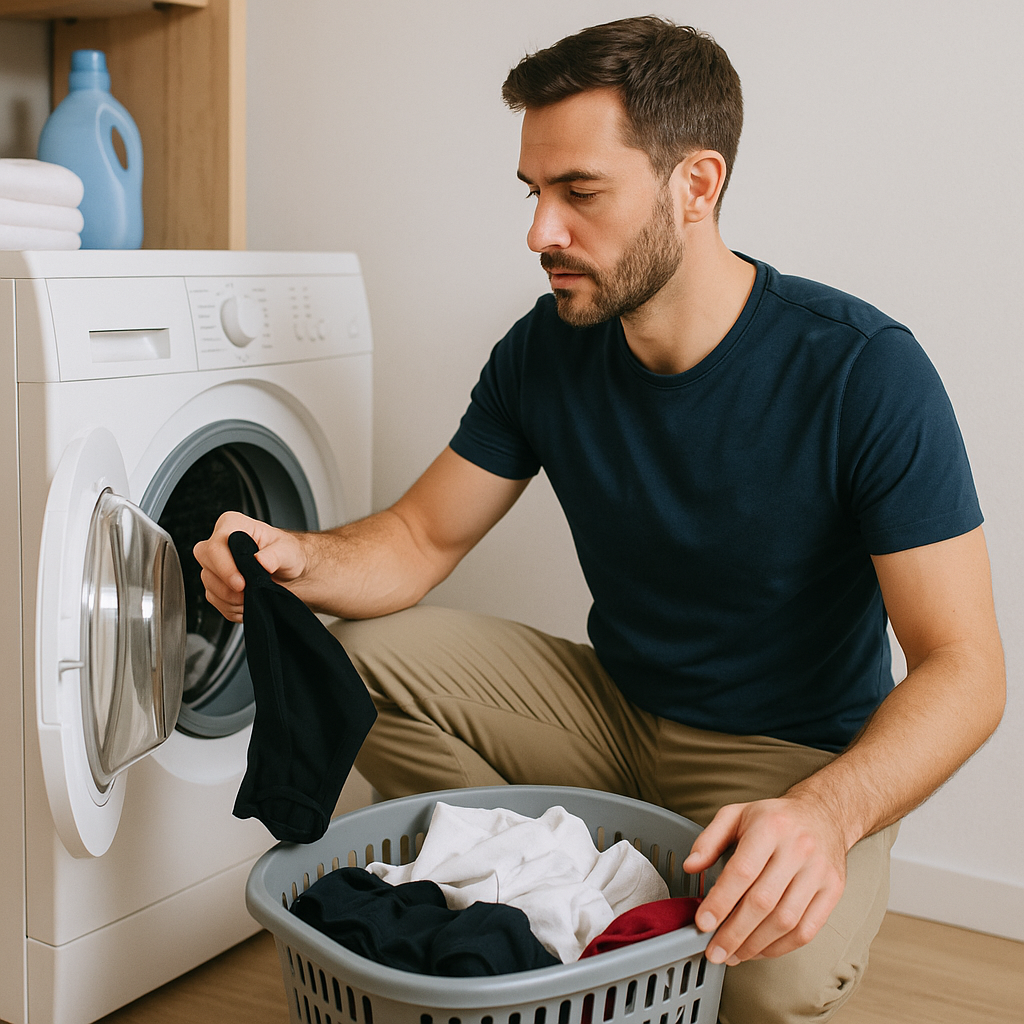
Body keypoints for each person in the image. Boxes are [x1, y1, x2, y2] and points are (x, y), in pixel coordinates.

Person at [194, 17, 1005, 1024]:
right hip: (611, 711)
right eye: (533, 193)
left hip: (786, 758)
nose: (539, 231)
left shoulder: (862, 371)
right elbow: (419, 540)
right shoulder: (546, 349)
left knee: (758, 981)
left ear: (695, 185)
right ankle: (556, 877)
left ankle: (650, 880)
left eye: (578, 193)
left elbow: (965, 667)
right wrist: (293, 557)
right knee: (358, 654)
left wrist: (823, 815)